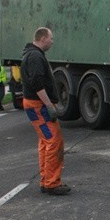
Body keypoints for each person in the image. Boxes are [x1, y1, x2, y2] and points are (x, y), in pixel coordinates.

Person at [21, 27, 71, 195]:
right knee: (53, 142)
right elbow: (37, 83)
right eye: (51, 38)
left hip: (34, 104)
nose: (52, 41)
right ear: (42, 38)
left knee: (46, 142)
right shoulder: (35, 56)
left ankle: (47, 180)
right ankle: (51, 183)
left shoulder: (32, 54)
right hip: (38, 106)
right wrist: (49, 105)